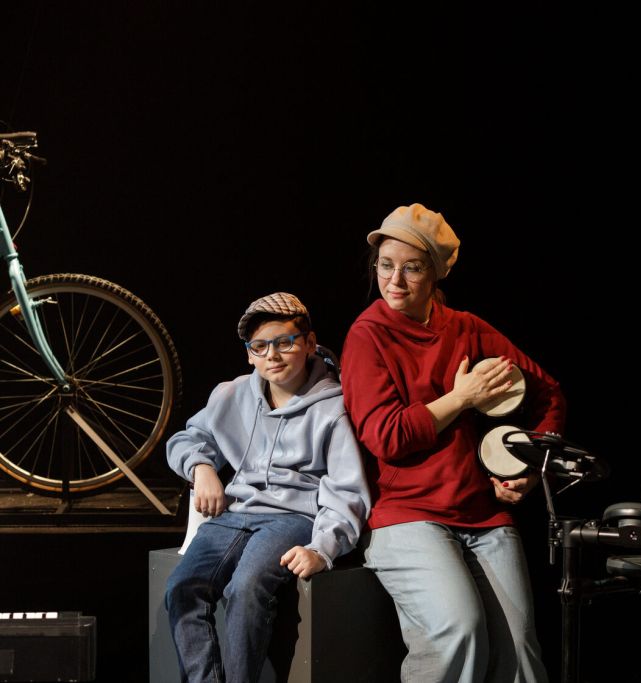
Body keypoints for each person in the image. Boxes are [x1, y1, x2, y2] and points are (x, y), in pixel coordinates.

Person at [340, 202, 566, 683]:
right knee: (458, 630)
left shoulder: (465, 328)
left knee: (521, 652)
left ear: (437, 274)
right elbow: (387, 436)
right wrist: (461, 398)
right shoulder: (368, 335)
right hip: (407, 514)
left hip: (482, 513)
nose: (395, 280)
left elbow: (548, 393)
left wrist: (528, 467)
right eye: (385, 265)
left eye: (412, 268)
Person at [165, 292, 371, 683]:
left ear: (309, 343)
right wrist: (202, 468)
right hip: (236, 515)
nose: (272, 355)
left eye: (284, 342)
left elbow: (347, 492)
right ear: (249, 354)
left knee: (246, 588)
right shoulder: (232, 394)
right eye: (259, 346)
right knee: (182, 587)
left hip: (293, 517)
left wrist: (322, 549)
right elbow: (186, 439)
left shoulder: (333, 408)